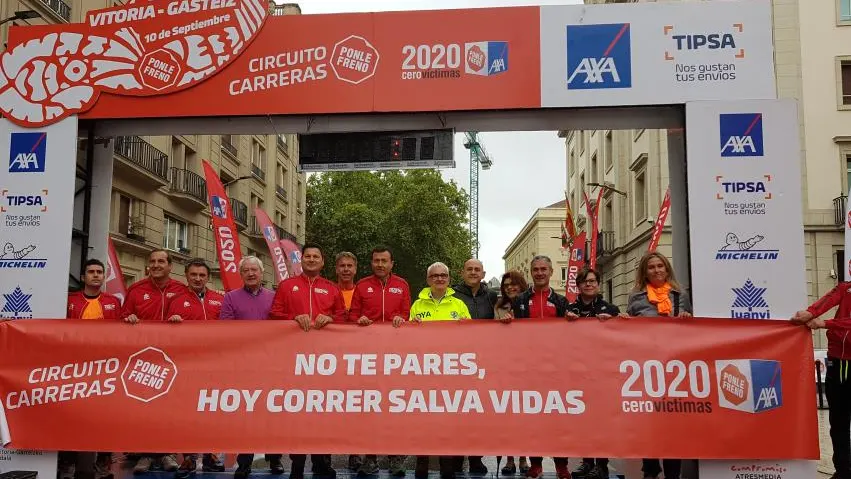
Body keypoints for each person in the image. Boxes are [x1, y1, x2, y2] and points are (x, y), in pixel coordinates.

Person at [269, 243, 343, 479]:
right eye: (307, 256)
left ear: (322, 262)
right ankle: (297, 464)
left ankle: (323, 462)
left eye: (316, 257)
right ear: (301, 261)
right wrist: (293, 319)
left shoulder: (332, 288)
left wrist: (330, 318)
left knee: (324, 411)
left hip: (325, 363)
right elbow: (274, 315)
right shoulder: (286, 286)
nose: (311, 260)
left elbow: (343, 318)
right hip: (294, 363)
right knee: (297, 413)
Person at [121, 249, 188, 474]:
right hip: (143, 359)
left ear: (171, 266)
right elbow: (123, 319)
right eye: (152, 262)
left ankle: (167, 452)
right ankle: (145, 454)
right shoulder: (136, 290)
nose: (156, 265)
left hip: (173, 359)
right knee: (144, 406)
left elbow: (193, 317)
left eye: (161, 261)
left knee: (169, 407)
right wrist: (128, 319)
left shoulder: (181, 290)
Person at [347, 246, 411, 476]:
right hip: (369, 357)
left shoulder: (402, 285)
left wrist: (401, 319)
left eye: (384, 261)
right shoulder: (362, 285)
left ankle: (396, 458)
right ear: (371, 263)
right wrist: (360, 319)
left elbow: (407, 314)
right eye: (376, 261)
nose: (380, 265)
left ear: (392, 263)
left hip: (396, 357)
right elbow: (352, 315)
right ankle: (370, 458)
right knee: (370, 407)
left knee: (395, 408)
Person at [627, 251, 692, 479]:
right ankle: (651, 469)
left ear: (667, 269)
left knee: (673, 425)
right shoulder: (636, 298)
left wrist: (686, 318)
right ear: (645, 272)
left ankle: (673, 472)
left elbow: (693, 332)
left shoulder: (679, 295)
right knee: (650, 424)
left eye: (660, 266)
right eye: (651, 267)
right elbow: (628, 332)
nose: (656, 271)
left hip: (674, 369)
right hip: (646, 368)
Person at [165, 259, 227, 478]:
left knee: (213, 410)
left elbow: (233, 329)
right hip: (187, 366)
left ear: (208, 277)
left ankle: (212, 455)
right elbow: (164, 333)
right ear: (186, 275)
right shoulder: (175, 300)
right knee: (188, 411)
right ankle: (189, 457)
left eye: (202, 275)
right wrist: (171, 323)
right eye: (194, 275)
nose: (198, 279)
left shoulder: (220, 299)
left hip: (215, 365)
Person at [511, 255, 570, 479]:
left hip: (556, 369)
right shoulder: (520, 301)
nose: (539, 273)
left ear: (552, 272)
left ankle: (561, 465)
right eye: (535, 269)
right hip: (529, 369)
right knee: (533, 418)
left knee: (557, 418)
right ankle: (535, 464)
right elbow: (513, 333)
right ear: (531, 273)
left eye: (544, 269)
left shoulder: (562, 301)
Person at [410, 262, 471, 479]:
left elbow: (472, 338)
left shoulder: (459, 305)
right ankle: (421, 465)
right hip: (424, 374)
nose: (439, 279)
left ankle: (448, 468)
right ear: (428, 280)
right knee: (423, 422)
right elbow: (407, 340)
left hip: (451, 374)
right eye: (435, 276)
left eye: (443, 275)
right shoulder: (417, 305)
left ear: (448, 278)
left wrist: (466, 328)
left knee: (447, 422)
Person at [59, 259, 118, 479]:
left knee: (102, 417)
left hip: (104, 370)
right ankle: (69, 463)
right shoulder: (69, 300)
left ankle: (101, 463)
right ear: (83, 277)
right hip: (74, 369)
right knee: (72, 417)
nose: (96, 275)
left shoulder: (113, 302)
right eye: (91, 272)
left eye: (99, 272)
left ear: (104, 277)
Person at [225, 256, 281, 479]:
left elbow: (281, 325)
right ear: (241, 274)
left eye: (254, 270)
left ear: (262, 273)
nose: (250, 274)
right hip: (243, 366)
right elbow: (225, 330)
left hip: (271, 364)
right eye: (246, 270)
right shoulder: (230, 298)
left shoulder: (274, 298)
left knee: (273, 411)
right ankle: (244, 462)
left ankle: (275, 458)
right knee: (246, 415)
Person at [566, 267, 624, 479]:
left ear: (598, 284)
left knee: (601, 421)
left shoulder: (610, 308)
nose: (588, 284)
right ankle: (587, 461)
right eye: (584, 282)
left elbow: (622, 338)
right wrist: (566, 323)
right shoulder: (570, 309)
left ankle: (602, 464)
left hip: (603, 373)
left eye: (592, 281)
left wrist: (616, 322)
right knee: (583, 420)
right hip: (578, 372)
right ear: (578, 286)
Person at [792, 282, 851, 479]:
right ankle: (843, 471)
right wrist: (810, 313)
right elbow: (828, 300)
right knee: (838, 422)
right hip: (837, 361)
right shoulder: (845, 287)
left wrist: (824, 323)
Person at [493, 270, 529, 476]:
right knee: (506, 414)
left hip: (526, 366)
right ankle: (509, 458)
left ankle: (523, 457)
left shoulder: (529, 303)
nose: (509, 288)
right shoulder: (498, 307)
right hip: (504, 365)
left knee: (523, 415)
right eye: (506, 285)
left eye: (513, 284)